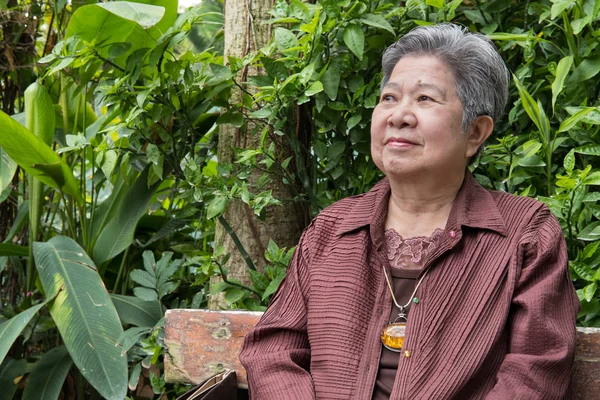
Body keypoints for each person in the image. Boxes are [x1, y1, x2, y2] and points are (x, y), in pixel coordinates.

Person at [239, 23, 579, 399]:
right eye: (389, 98)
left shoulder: (524, 235)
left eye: (424, 100)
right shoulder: (331, 229)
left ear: (476, 132)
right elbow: (273, 350)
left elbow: (534, 373)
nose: (398, 115)